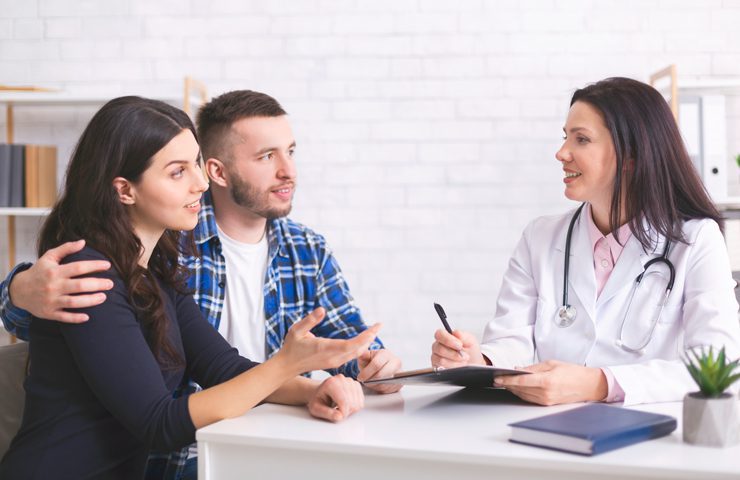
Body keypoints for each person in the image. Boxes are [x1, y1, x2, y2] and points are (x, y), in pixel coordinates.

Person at [0, 90, 402, 477]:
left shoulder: (155, 268)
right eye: (178, 172)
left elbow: (222, 367)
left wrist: (307, 389)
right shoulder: (89, 274)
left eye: (195, 163)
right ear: (125, 190)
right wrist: (287, 363)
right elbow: (159, 423)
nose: (200, 183)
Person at [431, 77, 740, 406]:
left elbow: (718, 364)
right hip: (542, 429)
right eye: (566, 137)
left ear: (631, 154)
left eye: (581, 139)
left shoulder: (695, 240)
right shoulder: (539, 237)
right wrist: (479, 360)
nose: (561, 152)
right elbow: (513, 339)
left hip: (644, 438)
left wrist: (600, 383)